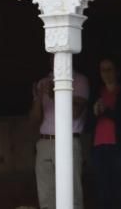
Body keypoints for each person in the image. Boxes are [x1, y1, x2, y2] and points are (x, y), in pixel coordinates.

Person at [30, 61, 90, 209]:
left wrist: (56, 93)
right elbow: (34, 120)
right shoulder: (43, 82)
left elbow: (75, 113)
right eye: (51, 56)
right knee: (46, 198)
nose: (53, 59)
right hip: (45, 141)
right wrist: (38, 98)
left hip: (68, 140)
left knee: (72, 195)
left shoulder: (79, 80)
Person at [88, 57, 121, 209]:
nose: (106, 73)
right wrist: (94, 113)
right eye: (102, 70)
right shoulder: (97, 92)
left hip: (119, 147)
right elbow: (87, 124)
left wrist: (105, 111)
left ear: (117, 71)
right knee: (102, 192)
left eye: (109, 69)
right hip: (98, 148)